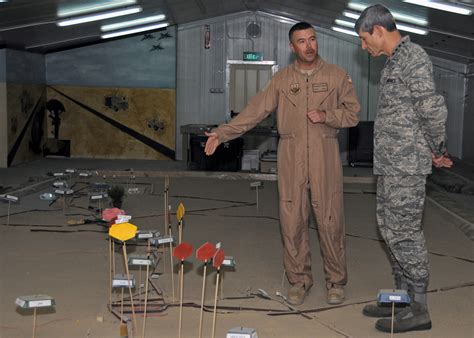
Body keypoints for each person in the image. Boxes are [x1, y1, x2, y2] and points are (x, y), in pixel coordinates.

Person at [205, 22, 360, 306]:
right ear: (292, 47)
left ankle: (336, 281)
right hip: (290, 152)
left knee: (330, 218)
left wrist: (327, 115)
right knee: (292, 219)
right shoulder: (280, 80)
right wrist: (222, 131)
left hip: (325, 151)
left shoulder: (337, 76)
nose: (309, 46)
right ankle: (299, 280)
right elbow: (254, 112)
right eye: (302, 41)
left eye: (312, 39)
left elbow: (353, 114)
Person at [355, 4, 453, 333]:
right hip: (391, 165)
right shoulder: (394, 62)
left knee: (405, 234)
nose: (363, 47)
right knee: (389, 231)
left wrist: (437, 150)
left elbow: (432, 110)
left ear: (379, 30)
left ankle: (420, 308)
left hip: (406, 168)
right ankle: (401, 298)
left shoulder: (414, 59)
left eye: (364, 39)